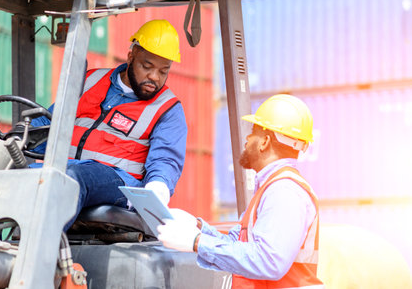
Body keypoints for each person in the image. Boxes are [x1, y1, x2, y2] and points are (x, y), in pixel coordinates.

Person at [31, 19, 187, 229]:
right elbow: (49, 124)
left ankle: (42, 257)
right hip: (65, 169)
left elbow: (165, 162)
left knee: (72, 179)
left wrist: (157, 190)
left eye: (163, 71)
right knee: (5, 172)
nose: (154, 77)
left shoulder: (167, 109)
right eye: (147, 66)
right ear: (131, 56)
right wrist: (9, 142)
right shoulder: (90, 80)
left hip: (118, 183)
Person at [157, 94, 324, 288]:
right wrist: (197, 226)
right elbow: (237, 245)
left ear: (265, 142)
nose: (247, 139)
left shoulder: (284, 191)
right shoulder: (270, 187)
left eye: (253, 132)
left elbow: (269, 262)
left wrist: (197, 242)